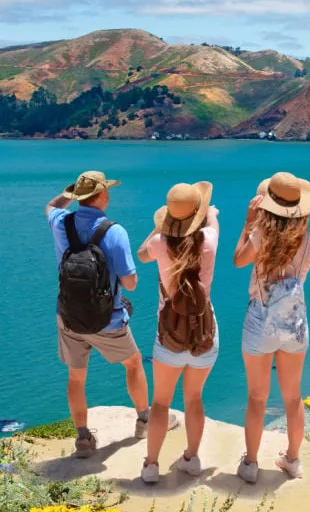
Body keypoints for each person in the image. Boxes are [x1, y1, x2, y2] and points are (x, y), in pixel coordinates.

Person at [46, 170, 160, 458]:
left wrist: (68, 193)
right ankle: (144, 421)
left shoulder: (62, 221)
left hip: (69, 317)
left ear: (78, 197)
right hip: (108, 319)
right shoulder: (114, 231)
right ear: (104, 195)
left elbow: (50, 206)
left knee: (76, 378)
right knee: (134, 363)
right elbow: (131, 284)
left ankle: (83, 439)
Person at [233, 172, 310, 482]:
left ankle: (251, 464)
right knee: (293, 397)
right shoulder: (307, 240)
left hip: (260, 321)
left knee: (257, 397)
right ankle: (293, 460)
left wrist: (248, 222)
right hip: (294, 322)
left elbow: (238, 261)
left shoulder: (260, 236)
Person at [136, 182, 220, 484]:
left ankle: (151, 465)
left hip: (169, 335)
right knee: (194, 398)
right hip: (203, 333)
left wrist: (158, 226)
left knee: (160, 402)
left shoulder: (159, 242)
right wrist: (207, 213)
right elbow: (212, 219)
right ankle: (191, 459)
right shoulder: (210, 238)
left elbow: (142, 254)